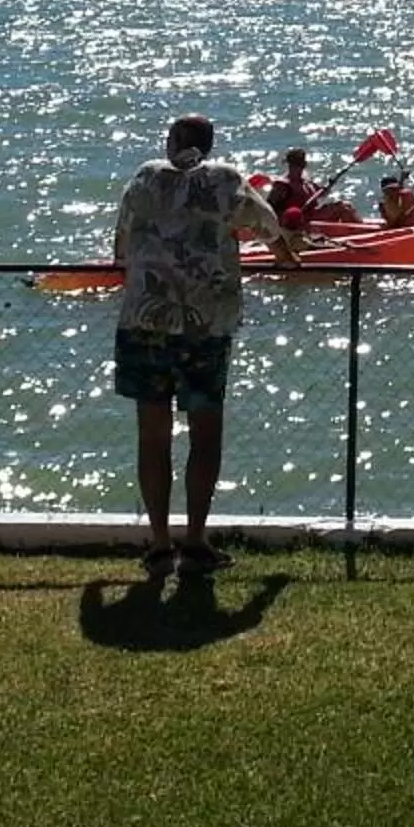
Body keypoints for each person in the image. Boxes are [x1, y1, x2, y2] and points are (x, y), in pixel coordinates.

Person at [110, 115, 304, 575]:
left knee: (152, 436)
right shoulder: (225, 181)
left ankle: (159, 544)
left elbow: (121, 245)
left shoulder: (143, 177)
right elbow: (268, 225)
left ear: (170, 142)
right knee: (205, 435)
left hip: (145, 322)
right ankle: (195, 540)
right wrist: (287, 257)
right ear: (210, 147)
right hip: (205, 325)